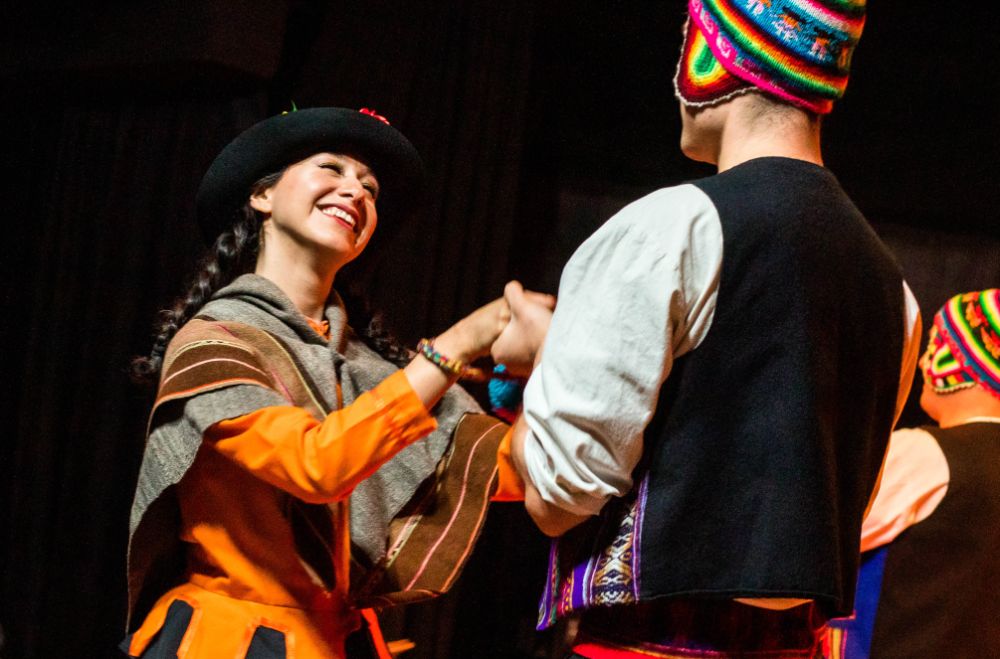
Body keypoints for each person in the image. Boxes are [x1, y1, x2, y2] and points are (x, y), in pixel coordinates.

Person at [490, 1, 923, 656]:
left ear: (712, 58)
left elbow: (560, 495)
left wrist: (542, 363)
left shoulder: (669, 228)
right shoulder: (895, 290)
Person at [123, 107, 511, 658]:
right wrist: (459, 344)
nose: (356, 191)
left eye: (370, 189)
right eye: (331, 168)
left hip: (339, 641)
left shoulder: (376, 369)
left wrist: (542, 372)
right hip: (234, 639)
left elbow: (506, 469)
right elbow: (316, 465)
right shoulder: (214, 341)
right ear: (263, 196)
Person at [824, 289, 1000, 659]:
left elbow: (824, 536)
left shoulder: (923, 455)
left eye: (936, 342)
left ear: (965, 361)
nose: (921, 361)